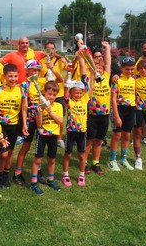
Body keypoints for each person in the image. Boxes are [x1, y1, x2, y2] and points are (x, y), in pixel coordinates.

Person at [13, 60, 47, 186]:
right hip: (30, 119)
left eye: (38, 70)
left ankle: (37, 171)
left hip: (41, 118)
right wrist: (24, 123)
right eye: (33, 70)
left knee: (40, 146)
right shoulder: (25, 85)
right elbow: (24, 105)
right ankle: (17, 173)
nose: (36, 72)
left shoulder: (40, 83)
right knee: (26, 146)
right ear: (27, 70)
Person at [62, 53, 93, 187]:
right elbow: (65, 89)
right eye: (76, 93)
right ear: (72, 93)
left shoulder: (85, 99)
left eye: (80, 92)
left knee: (82, 155)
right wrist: (68, 74)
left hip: (82, 132)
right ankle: (65, 174)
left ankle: (81, 175)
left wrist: (91, 71)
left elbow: (89, 85)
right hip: (70, 131)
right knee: (68, 155)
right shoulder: (69, 101)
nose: (79, 95)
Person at [30, 81, 64, 195]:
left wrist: (51, 112)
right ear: (44, 93)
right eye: (49, 94)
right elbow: (39, 125)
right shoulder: (39, 106)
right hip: (42, 135)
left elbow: (60, 121)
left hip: (53, 136)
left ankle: (50, 180)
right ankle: (34, 183)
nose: (52, 97)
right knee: (38, 159)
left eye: (54, 95)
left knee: (52, 159)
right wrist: (40, 112)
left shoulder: (58, 106)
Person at [0, 63, 24, 189]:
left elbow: (24, 107)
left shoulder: (21, 90)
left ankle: (5, 174)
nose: (13, 79)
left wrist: (24, 124)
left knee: (10, 151)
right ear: (4, 76)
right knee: (3, 153)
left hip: (15, 125)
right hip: (1, 126)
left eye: (15, 76)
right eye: (10, 76)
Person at [85, 41, 111, 175]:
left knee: (99, 141)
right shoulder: (89, 78)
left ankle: (95, 163)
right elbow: (89, 64)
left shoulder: (106, 77)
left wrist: (107, 49)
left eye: (100, 68)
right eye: (96, 68)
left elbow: (107, 63)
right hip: (91, 115)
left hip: (104, 115)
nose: (99, 69)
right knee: (89, 140)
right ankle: (84, 163)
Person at [108, 57, 136, 172]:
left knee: (127, 136)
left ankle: (123, 159)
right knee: (117, 136)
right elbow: (113, 99)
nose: (129, 71)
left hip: (131, 109)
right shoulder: (117, 80)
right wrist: (116, 115)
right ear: (122, 68)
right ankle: (112, 160)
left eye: (132, 69)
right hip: (119, 109)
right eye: (127, 69)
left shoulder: (135, 80)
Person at [39, 41, 66, 145]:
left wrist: (57, 59)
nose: (50, 51)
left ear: (55, 50)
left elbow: (68, 67)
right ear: (45, 50)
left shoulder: (59, 60)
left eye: (52, 48)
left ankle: (59, 138)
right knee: (44, 114)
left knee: (60, 116)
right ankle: (42, 134)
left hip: (58, 93)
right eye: (48, 49)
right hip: (46, 93)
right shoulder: (41, 61)